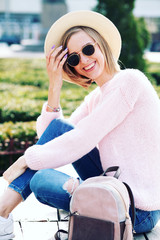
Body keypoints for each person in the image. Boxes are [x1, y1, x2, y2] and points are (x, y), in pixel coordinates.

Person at [0, 10, 160, 239]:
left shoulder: (129, 81)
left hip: (138, 210)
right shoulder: (96, 98)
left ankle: (2, 212)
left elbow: (81, 138)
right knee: (40, 178)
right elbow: (53, 136)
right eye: (74, 58)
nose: (84, 60)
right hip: (111, 188)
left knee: (41, 178)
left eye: (88, 49)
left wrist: (27, 159)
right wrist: (54, 85)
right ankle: (84, 202)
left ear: (101, 43)